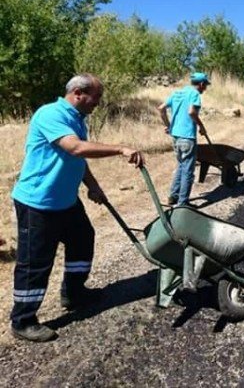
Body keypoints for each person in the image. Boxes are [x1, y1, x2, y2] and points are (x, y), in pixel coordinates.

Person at [10, 74, 144, 342]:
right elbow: (75, 149)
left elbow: (78, 161)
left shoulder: (77, 120)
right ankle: (23, 321)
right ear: (79, 93)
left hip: (66, 201)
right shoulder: (50, 114)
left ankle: (73, 293)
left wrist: (92, 186)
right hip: (38, 203)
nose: (98, 103)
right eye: (97, 97)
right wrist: (119, 149)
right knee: (35, 262)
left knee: (83, 239)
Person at [158, 72, 210, 206]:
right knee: (188, 170)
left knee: (181, 165)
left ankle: (173, 196)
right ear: (201, 84)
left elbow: (161, 108)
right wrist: (201, 126)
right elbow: (192, 112)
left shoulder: (177, 93)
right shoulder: (195, 94)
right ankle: (183, 203)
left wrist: (169, 126)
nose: (205, 89)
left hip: (175, 137)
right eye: (205, 86)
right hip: (187, 137)